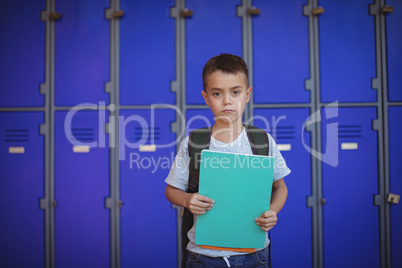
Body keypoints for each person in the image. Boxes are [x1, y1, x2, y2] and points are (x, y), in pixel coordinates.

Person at [165, 53, 291, 267]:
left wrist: (273, 211)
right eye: (217, 93)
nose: (227, 101)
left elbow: (280, 186)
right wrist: (187, 200)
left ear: (247, 94)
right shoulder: (193, 143)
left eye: (235, 92)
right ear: (206, 98)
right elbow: (171, 190)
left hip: (255, 255)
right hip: (202, 256)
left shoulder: (262, 141)